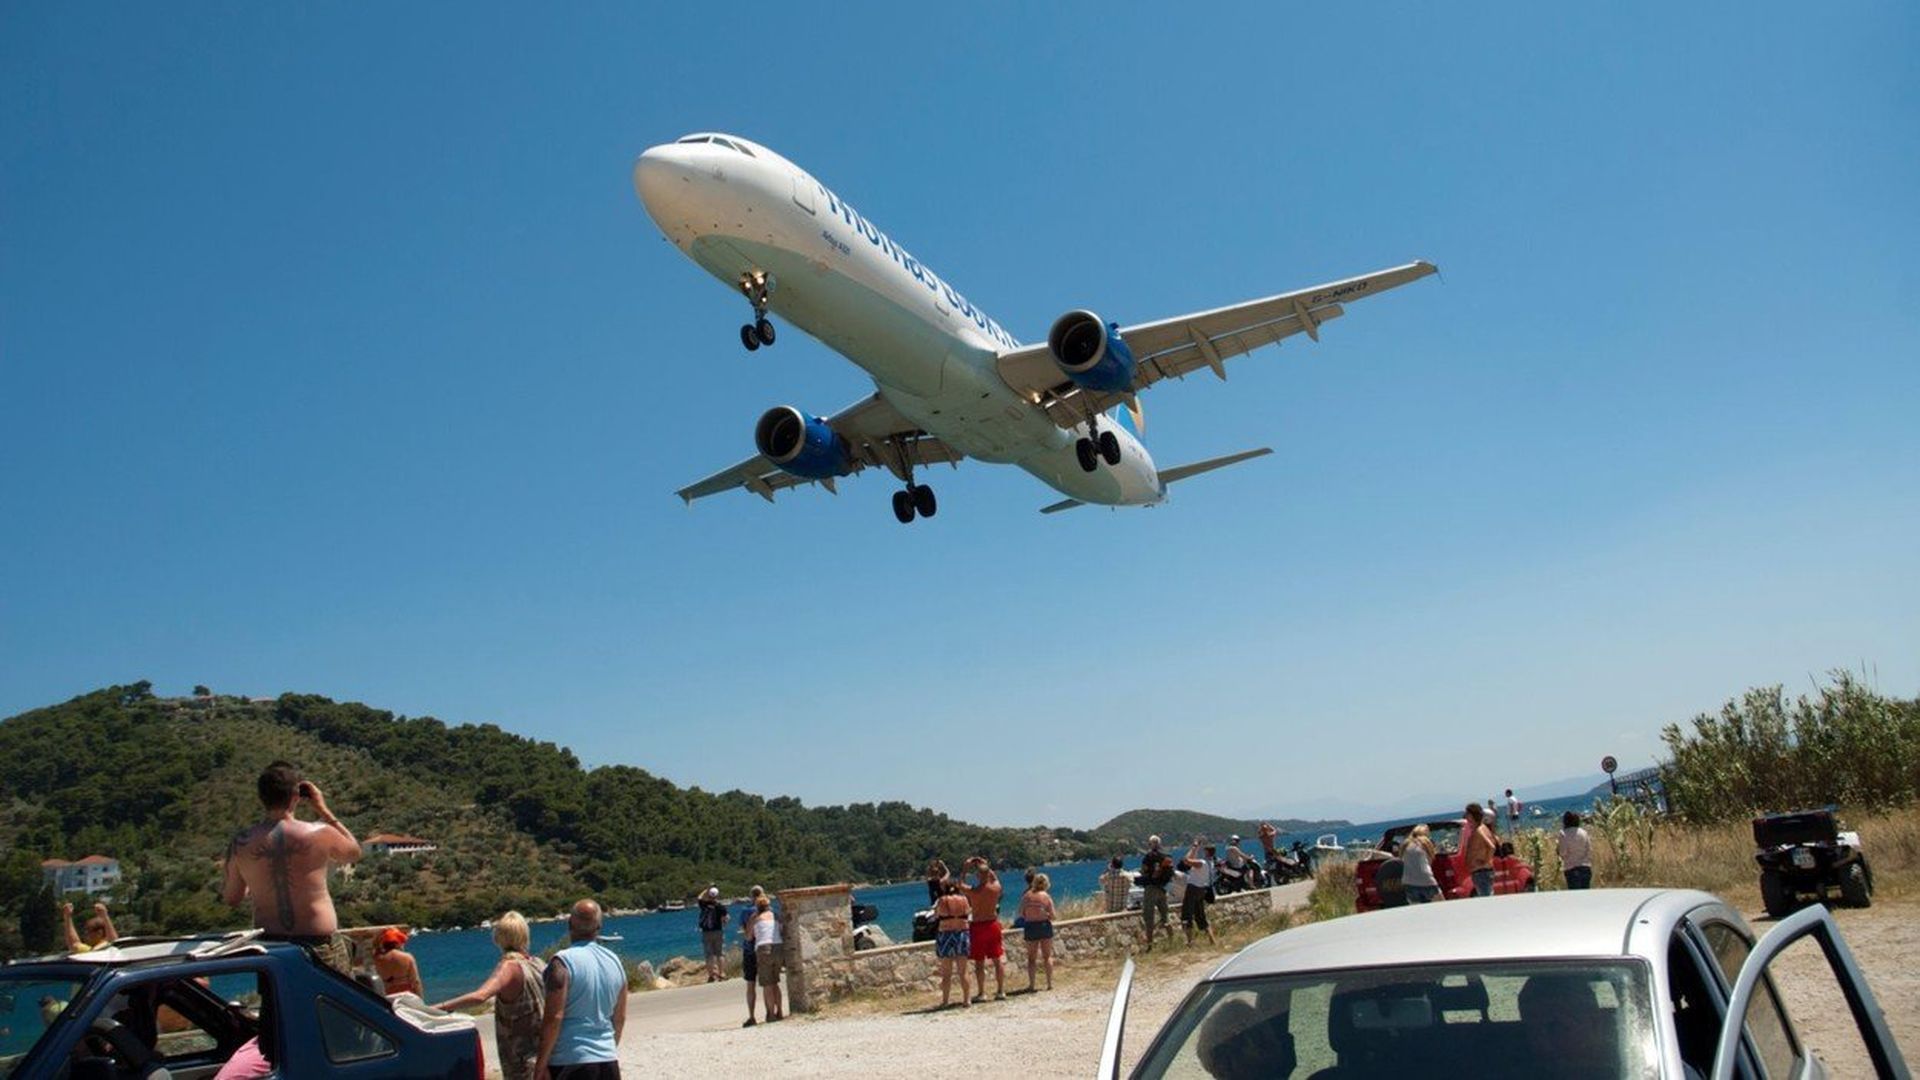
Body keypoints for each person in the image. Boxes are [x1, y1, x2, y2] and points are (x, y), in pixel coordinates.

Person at [221, 761, 362, 973]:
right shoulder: (319, 832)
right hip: (318, 944)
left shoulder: (241, 842)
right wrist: (323, 810)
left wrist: (255, 881)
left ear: (262, 798)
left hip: (271, 948)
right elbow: (353, 852)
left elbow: (232, 898)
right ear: (296, 795)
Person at [432, 911, 546, 1080]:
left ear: (498, 937)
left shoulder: (508, 967)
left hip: (520, 1058)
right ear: (525, 935)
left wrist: (438, 1007)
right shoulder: (539, 964)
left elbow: (480, 996)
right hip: (545, 1053)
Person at [534, 899, 628, 1080]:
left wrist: (541, 1064)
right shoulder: (615, 962)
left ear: (569, 923)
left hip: (570, 1058)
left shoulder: (562, 962)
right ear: (599, 926)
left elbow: (554, 1017)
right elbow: (619, 1018)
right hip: (607, 1060)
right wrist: (608, 1049)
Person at [956, 856, 1005, 1002]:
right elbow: (994, 878)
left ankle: (982, 993)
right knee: (997, 959)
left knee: (979, 962)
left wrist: (965, 868)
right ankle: (1001, 991)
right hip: (993, 924)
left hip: (978, 926)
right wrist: (985, 865)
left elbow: (960, 884)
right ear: (988, 873)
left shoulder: (974, 892)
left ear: (977, 876)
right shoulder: (996, 888)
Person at [931, 879, 972, 1008]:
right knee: (963, 971)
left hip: (946, 934)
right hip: (961, 933)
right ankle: (967, 999)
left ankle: (945, 1001)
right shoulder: (964, 899)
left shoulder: (942, 900)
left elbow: (937, 915)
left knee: (946, 972)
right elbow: (968, 913)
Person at [748, 895, 784, 1022]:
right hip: (778, 947)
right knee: (775, 982)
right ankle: (780, 1011)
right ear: (768, 906)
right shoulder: (776, 916)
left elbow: (749, 937)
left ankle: (771, 1014)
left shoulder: (756, 918)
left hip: (764, 949)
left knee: (767, 984)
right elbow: (781, 930)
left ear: (757, 907)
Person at [1018, 872, 1056, 992]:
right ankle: (1049, 983)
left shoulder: (1027, 896)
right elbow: (1054, 916)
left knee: (1031, 958)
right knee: (1047, 956)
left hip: (1031, 926)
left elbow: (1020, 913)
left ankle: (1032, 985)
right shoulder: (1046, 897)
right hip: (1044, 925)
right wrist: (1046, 914)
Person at [1138, 836, 1174, 951]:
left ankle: (1149, 946)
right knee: (1165, 918)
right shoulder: (1166, 856)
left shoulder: (1149, 856)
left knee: (1149, 918)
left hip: (1151, 888)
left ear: (1152, 844)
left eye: (1149, 844)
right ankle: (1172, 941)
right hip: (1162, 889)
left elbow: (1143, 870)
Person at [738, 886, 767, 1027]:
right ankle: (772, 1013)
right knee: (770, 984)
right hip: (764, 948)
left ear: (750, 895)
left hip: (749, 949)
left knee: (751, 985)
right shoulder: (768, 910)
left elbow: (744, 931)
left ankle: (752, 1016)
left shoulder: (745, 911)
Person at [1181, 839, 1217, 945]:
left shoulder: (1202, 863)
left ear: (1206, 852)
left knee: (1187, 915)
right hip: (1202, 889)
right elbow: (1192, 861)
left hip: (1192, 889)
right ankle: (1212, 940)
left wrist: (1194, 847)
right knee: (1201, 916)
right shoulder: (1211, 863)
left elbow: (1186, 860)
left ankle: (1190, 941)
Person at [373, 928, 424, 997]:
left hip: (389, 996)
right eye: (402, 943)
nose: (403, 945)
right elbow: (416, 981)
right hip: (407, 995)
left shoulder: (378, 958)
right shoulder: (407, 957)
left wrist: (381, 932)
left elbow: (375, 945)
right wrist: (420, 999)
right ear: (397, 944)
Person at [1400, 824, 1442, 904]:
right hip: (1427, 881)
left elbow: (1401, 859)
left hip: (1408, 883)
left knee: (1418, 912)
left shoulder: (1405, 844)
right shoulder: (1425, 842)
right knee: (1441, 907)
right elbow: (1430, 862)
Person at [1463, 803, 1497, 897]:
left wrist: (1485, 861)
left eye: (1467, 814)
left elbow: (1491, 847)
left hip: (1481, 872)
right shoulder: (1482, 828)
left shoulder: (1479, 830)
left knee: (1486, 900)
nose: (1465, 816)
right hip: (1480, 872)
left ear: (1471, 815)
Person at [697, 886, 729, 983]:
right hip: (718, 931)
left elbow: (699, 897)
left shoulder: (704, 904)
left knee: (709, 955)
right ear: (717, 895)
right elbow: (726, 919)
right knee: (720, 954)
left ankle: (711, 976)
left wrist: (706, 889)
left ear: (709, 895)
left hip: (706, 932)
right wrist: (724, 923)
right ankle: (722, 974)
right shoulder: (720, 906)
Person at [1559, 811, 1594, 890]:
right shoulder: (1584, 832)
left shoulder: (1563, 834)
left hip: (1571, 869)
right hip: (1586, 867)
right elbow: (1589, 849)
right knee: (1585, 896)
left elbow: (1563, 852)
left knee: (1575, 898)